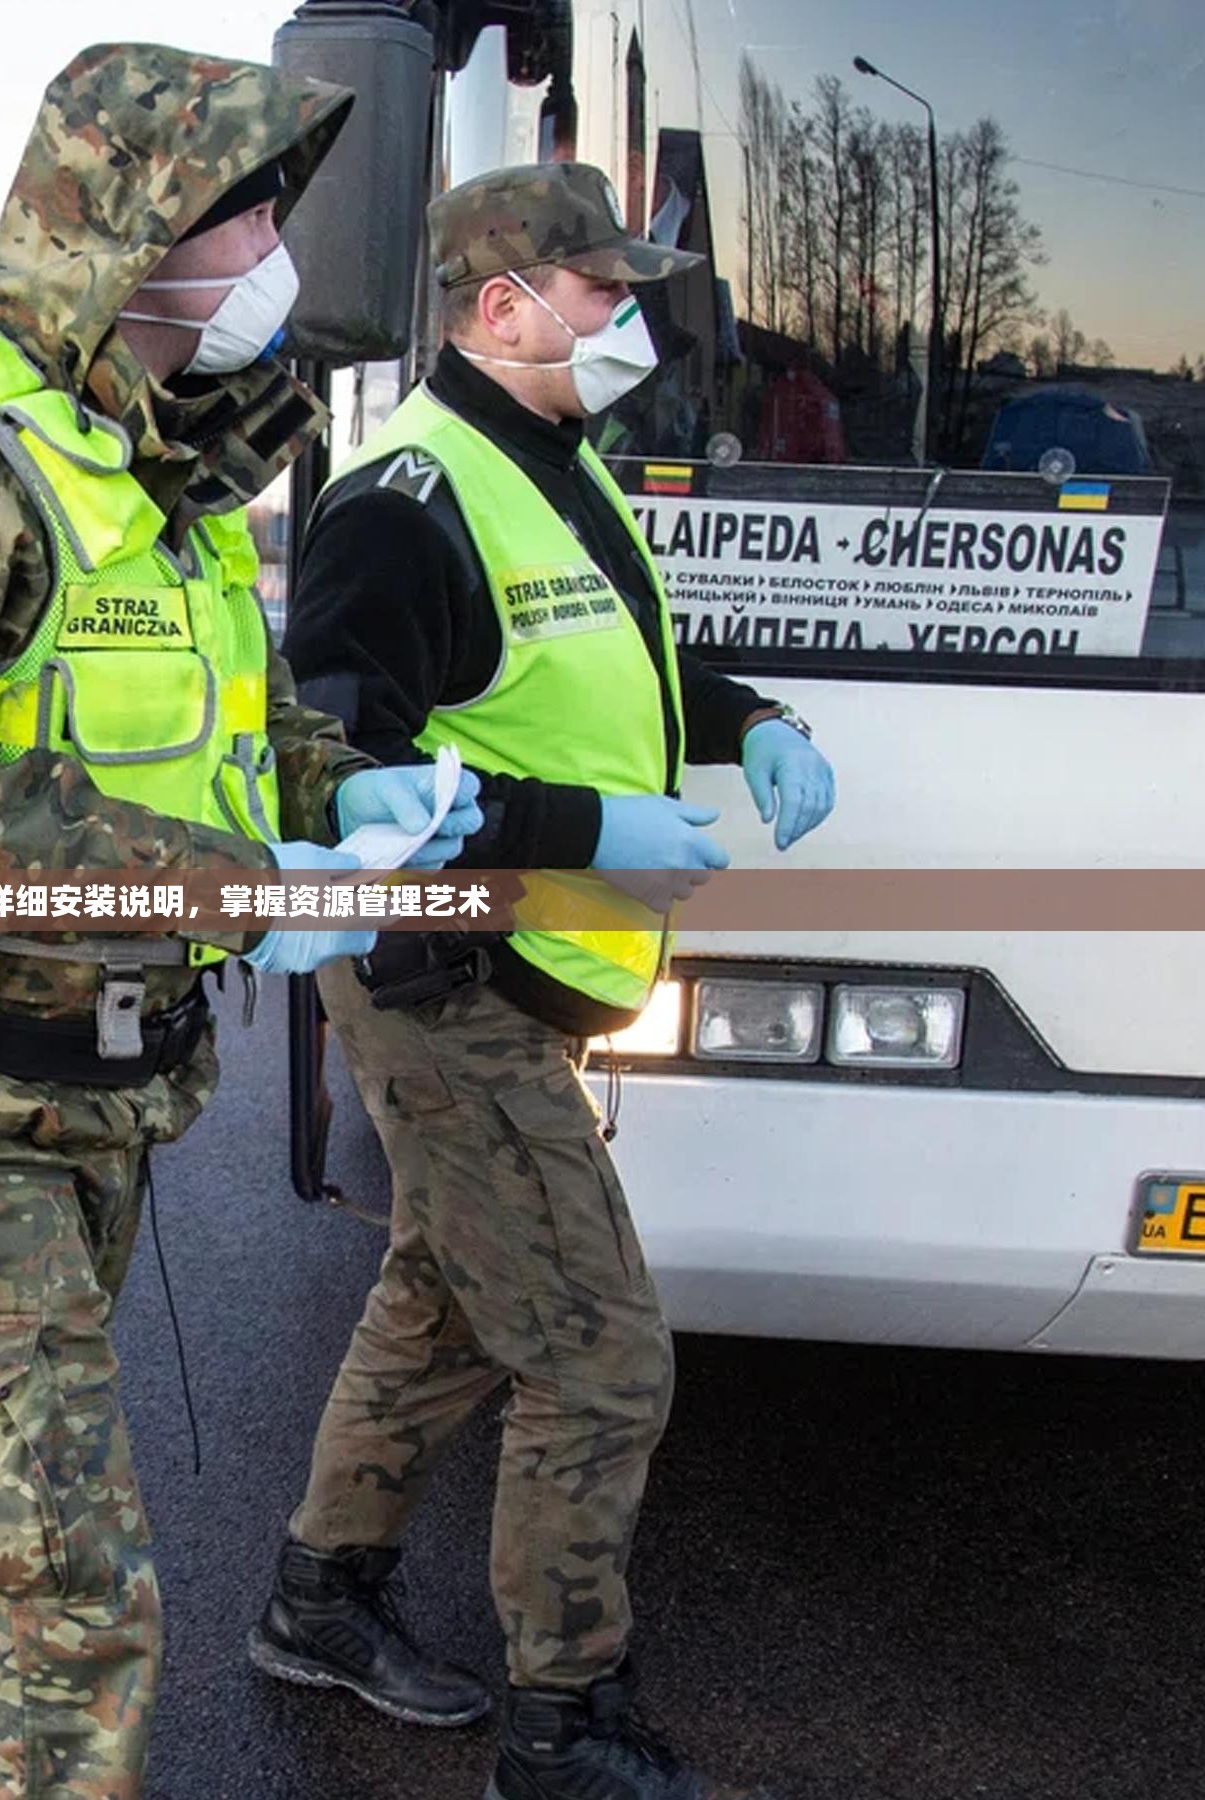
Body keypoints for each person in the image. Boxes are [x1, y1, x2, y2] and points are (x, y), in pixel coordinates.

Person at [0, 43, 475, 1796]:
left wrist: (331, 792)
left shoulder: (148, 463)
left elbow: (219, 722)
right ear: (127, 224)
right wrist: (239, 893)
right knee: (66, 1616)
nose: (272, 253)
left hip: (95, 1097)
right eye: (243, 213)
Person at [266, 163, 836, 1799]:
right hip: (451, 977)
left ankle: (321, 1601)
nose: (631, 320)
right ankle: (562, 1728)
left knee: (443, 1300)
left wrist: (746, 724)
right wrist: (590, 829)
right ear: (503, 306)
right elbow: (337, 779)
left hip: (521, 969)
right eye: (603, 292)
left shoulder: (550, 461)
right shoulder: (405, 500)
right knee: (600, 1356)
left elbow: (603, 671)